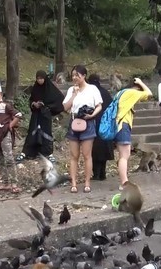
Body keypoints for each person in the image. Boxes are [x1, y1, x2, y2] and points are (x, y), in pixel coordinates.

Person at [62, 65, 103, 193]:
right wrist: (74, 95)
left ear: (84, 76)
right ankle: (73, 183)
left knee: (87, 155)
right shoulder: (71, 90)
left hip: (88, 122)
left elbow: (99, 105)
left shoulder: (92, 89)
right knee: (74, 155)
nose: (74, 78)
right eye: (73, 75)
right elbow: (65, 107)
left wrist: (92, 115)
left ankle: (87, 182)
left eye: (77, 75)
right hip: (74, 122)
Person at [17, 70, 65, 163]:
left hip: (45, 114)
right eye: (38, 78)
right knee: (32, 131)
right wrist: (33, 104)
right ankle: (27, 152)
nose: (39, 80)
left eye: (41, 78)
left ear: (45, 78)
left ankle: (48, 153)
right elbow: (31, 99)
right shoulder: (35, 88)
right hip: (36, 114)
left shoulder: (50, 88)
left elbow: (58, 100)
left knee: (46, 132)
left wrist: (46, 105)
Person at [115, 78, 153, 186]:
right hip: (123, 126)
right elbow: (149, 93)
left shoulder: (120, 93)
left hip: (117, 126)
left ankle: (124, 180)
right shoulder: (132, 92)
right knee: (124, 155)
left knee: (123, 154)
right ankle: (124, 182)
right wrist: (141, 82)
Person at [88, 73, 114, 181]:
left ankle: (96, 174)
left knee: (94, 150)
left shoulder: (90, 92)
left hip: (93, 123)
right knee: (104, 150)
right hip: (105, 125)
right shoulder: (105, 92)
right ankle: (103, 173)